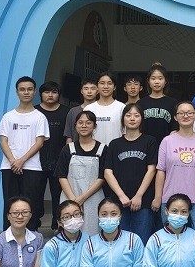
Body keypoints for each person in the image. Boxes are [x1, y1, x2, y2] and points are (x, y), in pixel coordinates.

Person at [0, 75, 49, 230]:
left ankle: (30, 236)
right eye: (22, 89)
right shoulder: (8, 116)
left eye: (30, 89)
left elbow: (39, 142)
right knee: (10, 203)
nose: (26, 92)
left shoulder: (40, 117)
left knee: (30, 203)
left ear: (34, 92)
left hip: (31, 167)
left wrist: (21, 160)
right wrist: (13, 161)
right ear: (17, 92)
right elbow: (3, 141)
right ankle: (8, 236)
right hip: (9, 167)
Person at [103, 103, 157, 243]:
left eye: (136, 115)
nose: (132, 118)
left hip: (143, 201)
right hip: (119, 202)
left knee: (142, 240)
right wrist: (121, 196)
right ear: (123, 119)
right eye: (128, 115)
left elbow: (152, 169)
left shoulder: (150, 141)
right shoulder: (114, 144)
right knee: (120, 241)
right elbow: (108, 172)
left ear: (142, 119)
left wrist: (139, 195)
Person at [154, 101, 195, 234]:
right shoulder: (167, 141)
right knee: (170, 237)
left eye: (190, 113)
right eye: (181, 113)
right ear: (175, 117)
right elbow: (161, 170)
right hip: (170, 198)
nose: (185, 116)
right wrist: (158, 197)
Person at [137, 62, 178, 235]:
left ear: (165, 81)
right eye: (153, 78)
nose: (156, 81)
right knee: (148, 190)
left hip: (167, 152)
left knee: (165, 189)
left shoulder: (173, 103)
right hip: (145, 151)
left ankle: (165, 229)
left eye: (160, 78)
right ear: (148, 81)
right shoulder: (141, 103)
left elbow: (175, 130)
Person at [55, 110, 106, 235]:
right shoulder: (67, 149)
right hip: (69, 195)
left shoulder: (103, 149)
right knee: (69, 230)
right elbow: (62, 176)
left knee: (93, 231)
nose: (84, 126)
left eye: (88, 123)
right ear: (75, 125)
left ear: (94, 126)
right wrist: (73, 200)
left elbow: (102, 177)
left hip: (93, 197)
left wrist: (82, 199)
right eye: (80, 122)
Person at [36, 81, 68, 230]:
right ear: (40, 94)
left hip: (59, 161)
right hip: (36, 161)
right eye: (47, 92)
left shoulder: (66, 112)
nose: (50, 95)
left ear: (59, 95)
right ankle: (34, 225)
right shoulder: (34, 112)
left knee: (58, 195)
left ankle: (58, 225)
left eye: (54, 92)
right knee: (35, 194)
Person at [84, 72, 125, 146]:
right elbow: (84, 132)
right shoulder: (89, 109)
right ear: (97, 86)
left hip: (116, 150)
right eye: (102, 83)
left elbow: (126, 133)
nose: (106, 86)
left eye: (109, 83)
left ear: (114, 87)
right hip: (94, 151)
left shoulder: (121, 107)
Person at [65, 78, 98, 143]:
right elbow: (69, 136)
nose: (89, 91)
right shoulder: (73, 111)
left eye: (92, 88)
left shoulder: (102, 110)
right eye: (86, 88)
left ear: (98, 91)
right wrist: (69, 149)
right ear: (81, 91)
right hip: (76, 147)